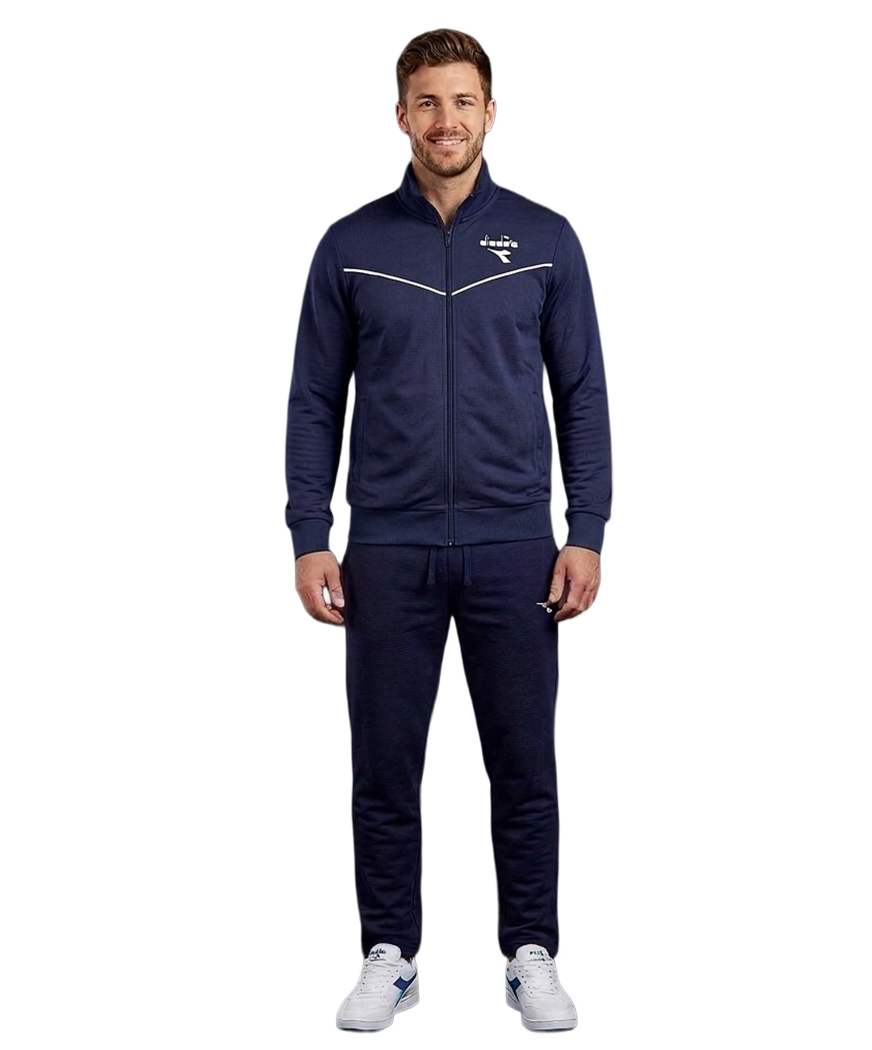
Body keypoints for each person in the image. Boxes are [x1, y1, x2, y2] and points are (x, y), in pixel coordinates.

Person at [285, 28, 611, 1032]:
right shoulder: (351, 246)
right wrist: (309, 531)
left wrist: (586, 527)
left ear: (490, 113)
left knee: (524, 765)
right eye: (427, 102)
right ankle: (391, 954)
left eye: (463, 101)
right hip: (388, 548)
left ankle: (530, 953)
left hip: (516, 547)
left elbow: (582, 392)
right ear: (401, 115)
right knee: (385, 765)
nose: (446, 120)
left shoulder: (546, 239)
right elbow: (314, 400)